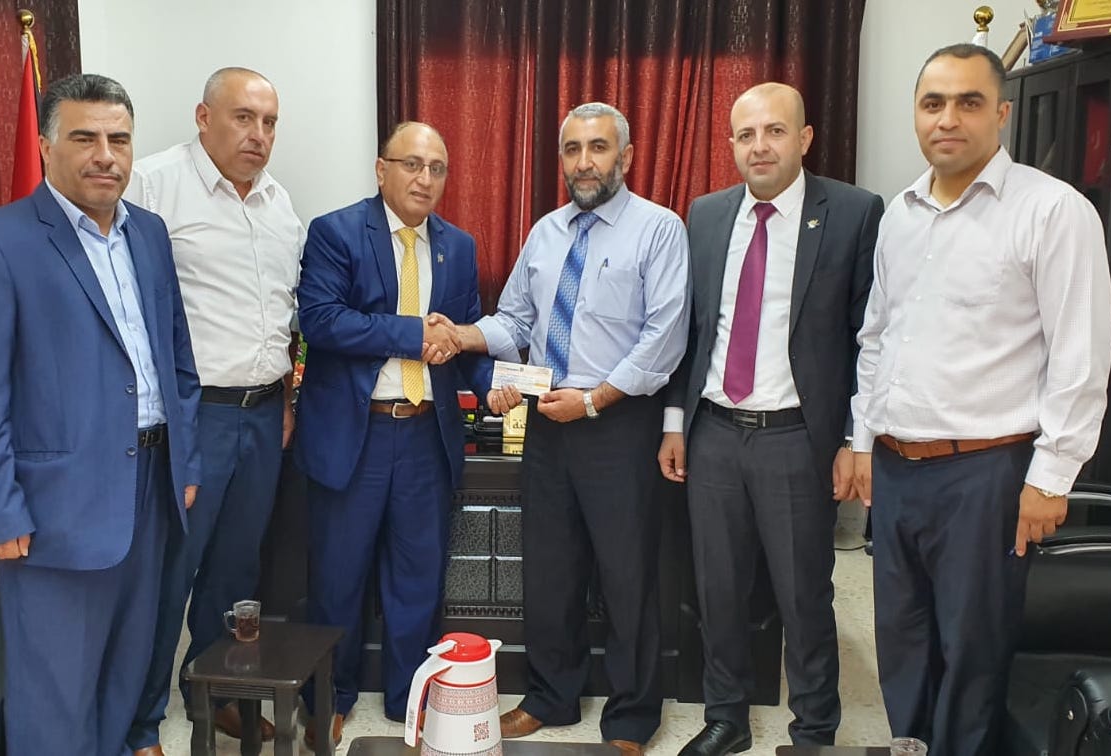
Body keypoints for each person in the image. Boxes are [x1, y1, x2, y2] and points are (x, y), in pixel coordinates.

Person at [851, 43, 1111, 755]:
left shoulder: (1052, 211)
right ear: (916, 113)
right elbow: (878, 338)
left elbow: (1081, 355)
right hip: (897, 469)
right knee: (903, 643)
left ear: (1001, 113)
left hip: (987, 474)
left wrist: (1051, 477)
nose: (948, 119)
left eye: (968, 103)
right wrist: (863, 438)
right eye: (933, 103)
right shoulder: (900, 215)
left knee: (972, 652)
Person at [0, 73, 201, 756]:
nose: (105, 155)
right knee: (56, 692)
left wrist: (186, 463)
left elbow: (176, 359)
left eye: (119, 139)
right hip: (54, 505)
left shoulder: (149, 233)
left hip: (152, 486)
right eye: (85, 138)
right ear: (46, 146)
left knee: (125, 673)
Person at [456, 102, 690, 756]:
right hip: (545, 423)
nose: (584, 162)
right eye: (572, 149)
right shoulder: (546, 232)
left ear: (626, 156)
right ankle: (551, 696)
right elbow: (516, 320)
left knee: (626, 574)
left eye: (598, 147)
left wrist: (593, 401)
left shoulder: (659, 229)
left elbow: (664, 337)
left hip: (618, 423)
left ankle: (632, 717)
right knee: (550, 569)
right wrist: (466, 337)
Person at [658, 82, 883, 754]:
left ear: (805, 138)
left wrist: (855, 438)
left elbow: (870, 336)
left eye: (775, 131)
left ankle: (813, 729)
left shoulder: (852, 213)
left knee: (803, 594)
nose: (760, 146)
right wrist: (675, 421)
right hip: (714, 433)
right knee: (717, 589)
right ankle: (725, 716)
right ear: (731, 144)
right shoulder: (705, 215)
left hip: (796, 439)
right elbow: (690, 331)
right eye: (746, 134)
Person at [295, 121, 494, 748]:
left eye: (437, 168)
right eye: (412, 164)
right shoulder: (336, 232)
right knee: (338, 579)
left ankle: (411, 702)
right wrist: (413, 334)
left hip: (424, 439)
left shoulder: (459, 246)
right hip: (353, 436)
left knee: (417, 581)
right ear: (382, 170)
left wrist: (495, 385)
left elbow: (461, 339)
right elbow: (322, 320)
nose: (424, 178)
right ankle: (331, 697)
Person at [123, 67, 304, 755]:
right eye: (243, 118)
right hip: (192, 416)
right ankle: (141, 722)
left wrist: (285, 396)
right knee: (171, 572)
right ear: (204, 117)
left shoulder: (280, 205)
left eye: (269, 123)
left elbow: (283, 317)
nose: (258, 135)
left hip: (264, 413)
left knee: (236, 570)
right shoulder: (153, 184)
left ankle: (219, 696)